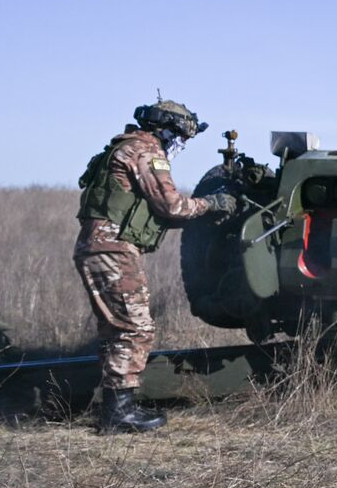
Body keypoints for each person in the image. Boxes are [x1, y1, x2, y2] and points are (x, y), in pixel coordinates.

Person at [73, 99, 236, 433]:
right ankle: (119, 413)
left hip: (99, 246)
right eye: (180, 137)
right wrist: (214, 204)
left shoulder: (123, 147)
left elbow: (153, 212)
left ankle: (116, 407)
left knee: (116, 330)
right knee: (136, 328)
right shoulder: (146, 151)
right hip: (114, 249)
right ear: (166, 130)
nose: (180, 145)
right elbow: (172, 205)